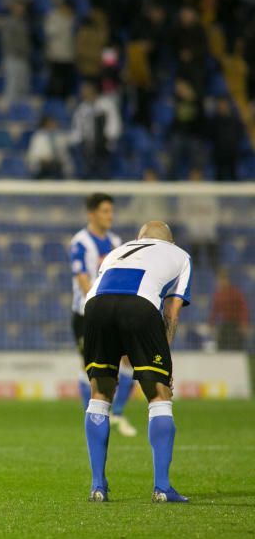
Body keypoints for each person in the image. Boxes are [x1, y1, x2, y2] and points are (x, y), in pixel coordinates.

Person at [82, 221, 193, 503]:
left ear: (139, 238)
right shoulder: (180, 256)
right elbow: (172, 311)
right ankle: (162, 487)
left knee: (100, 393)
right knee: (159, 396)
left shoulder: (118, 251)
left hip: (95, 306)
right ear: (170, 240)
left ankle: (98, 486)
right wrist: (163, 362)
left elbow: (106, 292)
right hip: (140, 306)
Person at [70, 193, 137, 437]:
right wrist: (97, 304)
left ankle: (116, 414)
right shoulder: (81, 242)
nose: (110, 216)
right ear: (92, 214)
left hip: (112, 311)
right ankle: (94, 416)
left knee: (128, 359)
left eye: (111, 211)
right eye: (105, 211)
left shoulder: (115, 241)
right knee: (90, 366)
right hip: (86, 314)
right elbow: (82, 278)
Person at [70, 81, 121, 180]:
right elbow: (76, 128)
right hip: (87, 146)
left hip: (104, 145)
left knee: (104, 174)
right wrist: (78, 141)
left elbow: (114, 124)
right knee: (85, 172)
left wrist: (108, 138)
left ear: (93, 90)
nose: (83, 92)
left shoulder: (106, 104)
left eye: (86, 89)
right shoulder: (82, 108)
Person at [210, 267, 249, 350]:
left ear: (228, 280)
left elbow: (243, 308)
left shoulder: (235, 293)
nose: (221, 282)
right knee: (220, 345)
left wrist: (244, 323)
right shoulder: (218, 295)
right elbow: (214, 310)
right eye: (220, 280)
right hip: (224, 324)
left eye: (224, 279)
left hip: (236, 324)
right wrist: (211, 323)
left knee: (237, 347)